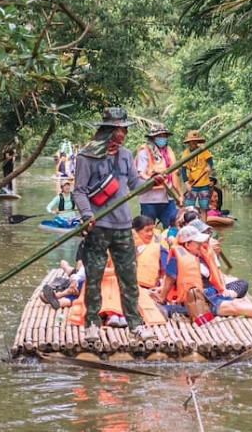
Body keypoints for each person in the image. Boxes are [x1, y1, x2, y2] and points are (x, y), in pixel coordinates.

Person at [72, 107, 165, 343]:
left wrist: (152, 182)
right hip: (98, 226)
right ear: (106, 130)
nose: (122, 134)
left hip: (123, 226)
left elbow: (134, 184)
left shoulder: (125, 155)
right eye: (117, 129)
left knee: (129, 277)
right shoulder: (87, 156)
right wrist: (86, 215)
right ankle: (92, 324)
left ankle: (135, 324)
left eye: (123, 129)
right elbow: (80, 192)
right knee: (94, 276)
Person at [151, 226, 252, 324]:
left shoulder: (194, 255)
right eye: (197, 243)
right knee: (232, 306)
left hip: (203, 297)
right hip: (191, 303)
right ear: (187, 245)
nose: (201, 245)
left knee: (234, 303)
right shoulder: (176, 259)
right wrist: (162, 299)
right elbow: (168, 284)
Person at [135, 124, 184, 229]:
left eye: (164, 136)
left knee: (174, 224)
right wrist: (151, 179)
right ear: (153, 137)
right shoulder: (145, 151)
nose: (163, 138)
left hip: (167, 197)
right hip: (149, 199)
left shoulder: (168, 152)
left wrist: (180, 195)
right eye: (160, 136)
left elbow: (174, 176)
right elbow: (141, 172)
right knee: (148, 228)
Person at [181, 130, 213, 222]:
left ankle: (204, 226)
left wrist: (208, 167)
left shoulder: (203, 150)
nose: (194, 143)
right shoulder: (186, 153)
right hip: (192, 185)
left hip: (204, 184)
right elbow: (183, 169)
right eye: (192, 141)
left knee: (204, 207)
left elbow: (210, 161)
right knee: (189, 207)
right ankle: (189, 226)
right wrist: (186, 183)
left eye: (195, 141)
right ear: (189, 142)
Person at [41, 242, 85, 309]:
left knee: (66, 300)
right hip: (81, 280)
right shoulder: (86, 246)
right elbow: (81, 268)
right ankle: (58, 297)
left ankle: (57, 296)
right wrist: (74, 280)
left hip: (86, 287)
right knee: (63, 263)